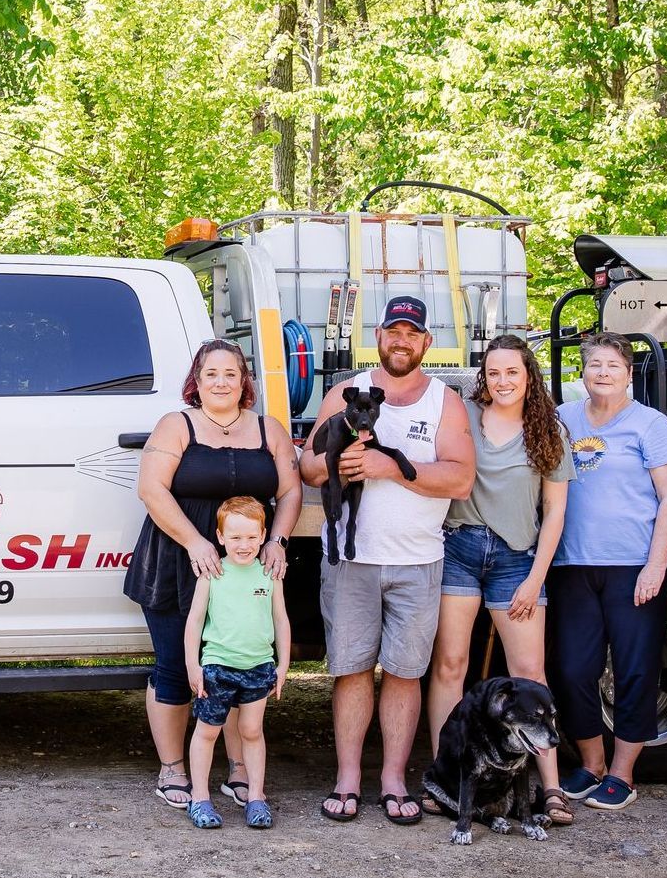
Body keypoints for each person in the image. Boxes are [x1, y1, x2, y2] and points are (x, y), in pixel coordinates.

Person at [299, 296, 475, 825]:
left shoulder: (444, 402)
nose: (401, 341)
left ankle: (393, 779)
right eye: (393, 331)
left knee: (403, 673)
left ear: (426, 342)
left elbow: (461, 478)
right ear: (378, 336)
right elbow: (307, 467)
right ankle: (348, 778)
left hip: (419, 561)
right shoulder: (343, 392)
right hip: (352, 559)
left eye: (412, 333)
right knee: (351, 670)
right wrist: (340, 466)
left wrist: (389, 467)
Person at [125, 339, 302, 811]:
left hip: (246, 565)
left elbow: (290, 493)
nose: (221, 382)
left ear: (245, 380)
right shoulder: (177, 425)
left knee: (239, 667)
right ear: (196, 381)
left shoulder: (269, 430)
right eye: (211, 374)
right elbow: (152, 489)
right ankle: (173, 768)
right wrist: (196, 542)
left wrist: (277, 542)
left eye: (231, 373)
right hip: (177, 559)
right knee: (176, 667)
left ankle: (240, 770)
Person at [424, 334, 576, 826]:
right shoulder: (463, 419)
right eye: (494, 373)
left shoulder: (548, 430)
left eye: (513, 372)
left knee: (530, 674)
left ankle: (550, 789)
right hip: (460, 549)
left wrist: (535, 579)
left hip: (516, 560)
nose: (503, 381)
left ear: (528, 376)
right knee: (450, 665)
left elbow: (554, 513)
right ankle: (448, 781)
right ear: (483, 379)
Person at [548, 331, 667, 811]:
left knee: (635, 669)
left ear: (629, 373)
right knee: (571, 669)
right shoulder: (562, 419)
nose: (602, 373)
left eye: (612, 365)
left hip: (632, 567)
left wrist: (656, 566)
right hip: (572, 563)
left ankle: (623, 773)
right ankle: (592, 762)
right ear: (582, 374)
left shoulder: (650, 424)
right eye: (594, 365)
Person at [183, 496, 292, 829]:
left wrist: (283, 664)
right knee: (207, 732)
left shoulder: (269, 575)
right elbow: (194, 621)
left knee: (252, 731)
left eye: (250, 537)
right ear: (220, 537)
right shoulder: (213, 573)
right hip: (217, 668)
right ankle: (199, 799)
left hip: (259, 667)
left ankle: (256, 798)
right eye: (235, 537)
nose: (243, 545)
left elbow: (281, 620)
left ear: (262, 537)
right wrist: (193, 664)